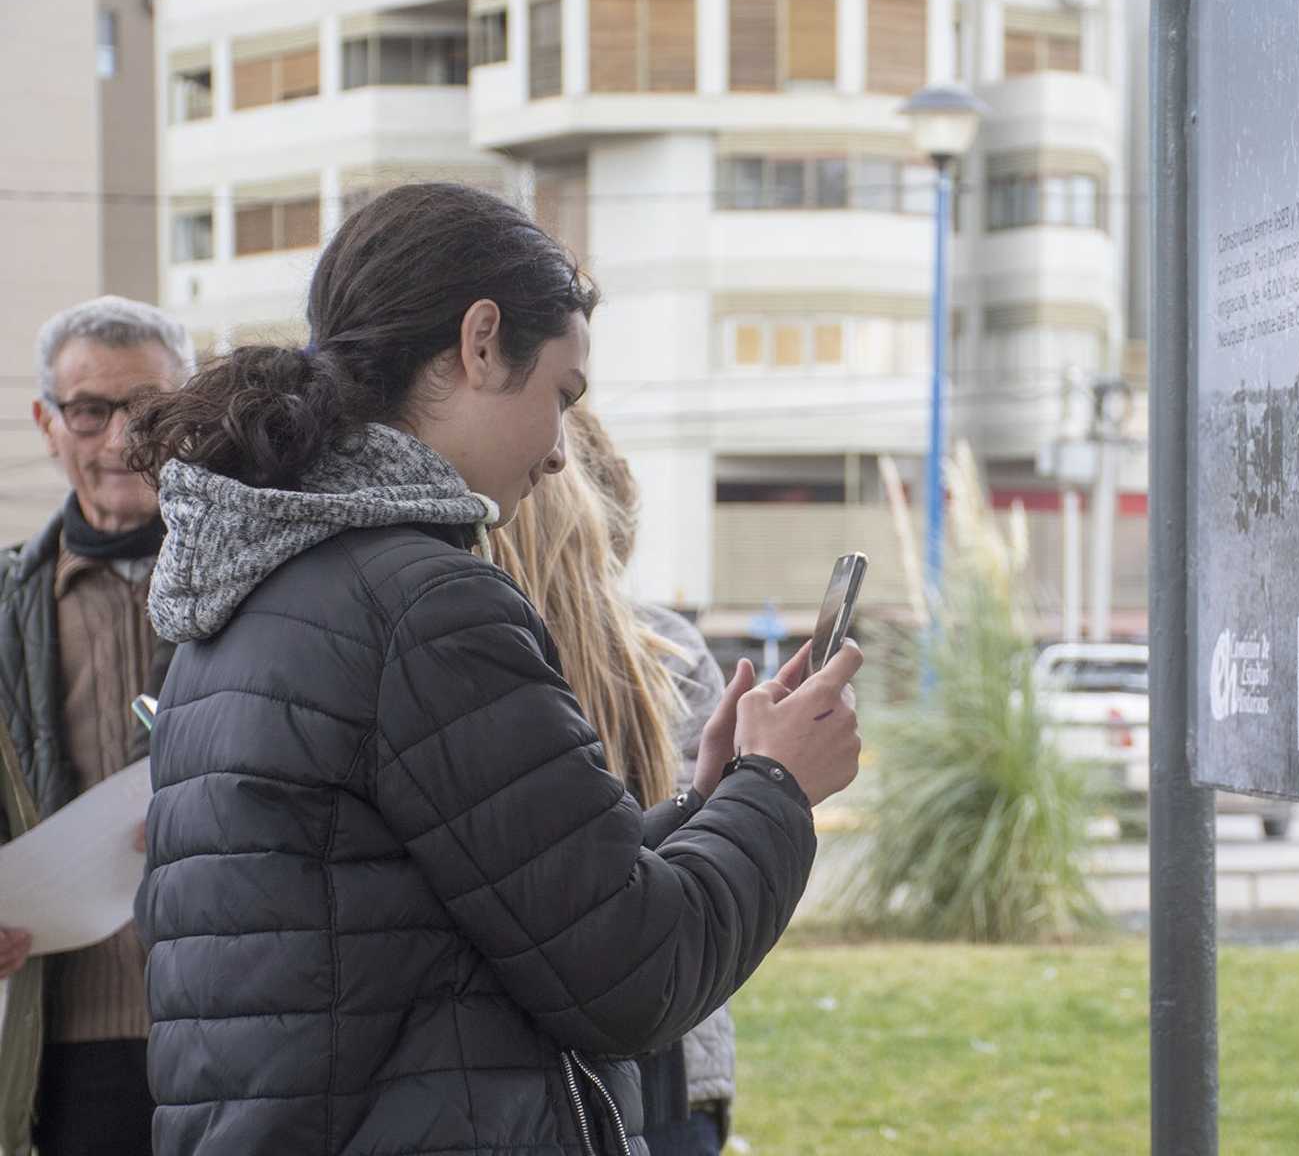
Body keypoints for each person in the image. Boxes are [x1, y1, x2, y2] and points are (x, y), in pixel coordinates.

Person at [123, 183, 863, 1156]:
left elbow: (467, 909)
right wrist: (777, 789)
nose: (563, 455)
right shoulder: (424, 607)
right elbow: (633, 976)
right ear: (480, 342)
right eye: (562, 396)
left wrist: (712, 804)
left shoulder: (247, 593)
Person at [492, 407, 736, 1154]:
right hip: (669, 1062)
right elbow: (707, 885)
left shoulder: (460, 657)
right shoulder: (666, 654)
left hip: (517, 1079)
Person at [0, 296, 195, 1156]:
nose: (121, 441)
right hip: (60, 1042)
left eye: (149, 411)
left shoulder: (266, 594)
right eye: (90, 411)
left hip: (233, 1024)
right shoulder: (7, 609)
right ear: (49, 423)